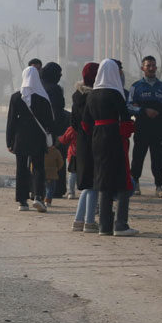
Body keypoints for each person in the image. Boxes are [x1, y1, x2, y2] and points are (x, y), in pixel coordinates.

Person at [83, 59, 138, 236]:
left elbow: (85, 124)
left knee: (103, 181)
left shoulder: (91, 95)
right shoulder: (116, 94)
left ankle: (104, 227)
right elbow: (126, 120)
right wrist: (127, 133)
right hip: (115, 137)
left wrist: (96, 132)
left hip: (97, 139)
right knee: (123, 180)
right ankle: (121, 224)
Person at [6, 66, 55, 212]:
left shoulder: (16, 97)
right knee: (39, 167)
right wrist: (52, 138)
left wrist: (9, 141)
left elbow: (11, 121)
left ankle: (22, 201)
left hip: (20, 137)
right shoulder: (43, 97)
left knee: (21, 168)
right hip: (38, 137)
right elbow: (49, 122)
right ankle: (38, 196)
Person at [128, 56, 162, 198]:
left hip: (158, 128)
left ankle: (159, 186)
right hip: (142, 127)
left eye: (153, 65)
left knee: (158, 157)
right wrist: (143, 111)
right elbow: (129, 106)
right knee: (138, 156)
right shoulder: (136, 86)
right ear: (142, 68)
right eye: (148, 65)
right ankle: (135, 184)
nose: (151, 68)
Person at [70, 62, 100, 232]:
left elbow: (73, 123)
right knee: (93, 183)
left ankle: (79, 220)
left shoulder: (77, 96)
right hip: (94, 141)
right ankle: (89, 221)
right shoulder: (95, 97)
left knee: (87, 184)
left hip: (81, 142)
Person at [42, 61, 68, 199]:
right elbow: (57, 112)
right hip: (56, 129)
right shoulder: (55, 89)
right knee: (58, 160)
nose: (60, 75)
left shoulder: (39, 86)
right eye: (59, 73)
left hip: (41, 129)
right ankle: (57, 189)